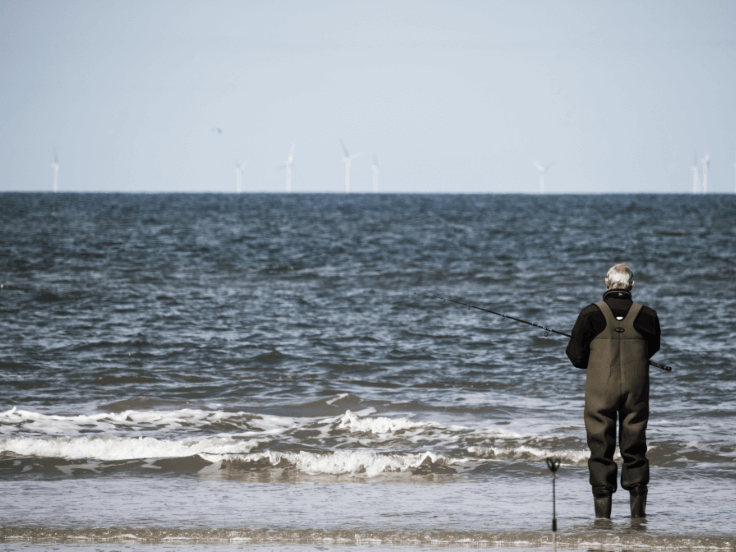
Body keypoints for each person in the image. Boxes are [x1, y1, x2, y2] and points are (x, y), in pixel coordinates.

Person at [566, 264, 661, 519]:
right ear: (631, 285)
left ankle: (602, 519)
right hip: (636, 389)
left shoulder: (590, 314)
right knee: (635, 447)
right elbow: (652, 348)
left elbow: (575, 356)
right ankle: (638, 517)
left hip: (600, 390)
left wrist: (597, 359)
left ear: (607, 284)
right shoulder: (648, 315)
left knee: (600, 448)